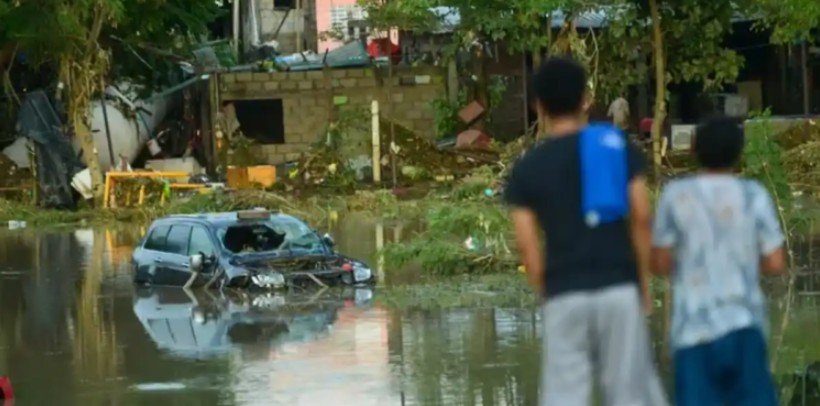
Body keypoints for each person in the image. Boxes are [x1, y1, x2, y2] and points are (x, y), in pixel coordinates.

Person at [505, 57, 666, 406]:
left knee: (565, 397)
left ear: (539, 105)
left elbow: (528, 249)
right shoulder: (613, 145)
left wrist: (549, 294)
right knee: (630, 396)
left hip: (565, 294)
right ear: (585, 99)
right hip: (619, 288)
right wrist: (642, 284)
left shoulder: (527, 168)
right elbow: (641, 216)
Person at [652, 117, 785, 406]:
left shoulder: (676, 196)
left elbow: (660, 263)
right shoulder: (754, 196)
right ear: (738, 153)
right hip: (744, 325)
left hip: (693, 331)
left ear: (694, 150)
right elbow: (776, 262)